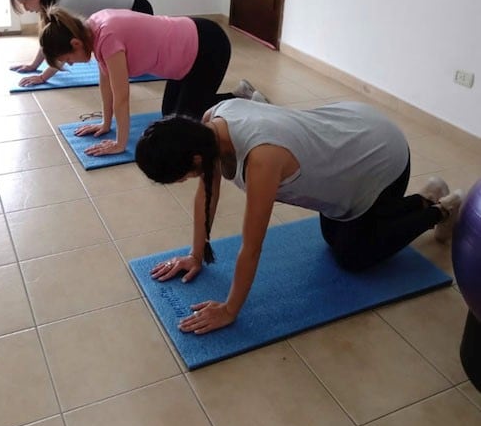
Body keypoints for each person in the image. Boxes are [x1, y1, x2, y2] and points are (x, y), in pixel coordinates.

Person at [134, 99, 464, 335]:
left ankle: (441, 209)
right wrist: (195, 255)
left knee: (353, 256)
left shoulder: (262, 159)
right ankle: (424, 197)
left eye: (182, 177)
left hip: (380, 154)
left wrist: (230, 309)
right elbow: (207, 192)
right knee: (335, 235)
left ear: (193, 159)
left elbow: (252, 246)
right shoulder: (211, 121)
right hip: (350, 132)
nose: (187, 182)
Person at [39, 6, 265, 157]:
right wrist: (106, 124)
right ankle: (241, 94)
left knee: (182, 128)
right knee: (170, 114)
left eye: (66, 59)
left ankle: (242, 102)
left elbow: (122, 96)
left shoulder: (106, 36)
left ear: (75, 43)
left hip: (207, 46)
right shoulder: (91, 29)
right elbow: (106, 83)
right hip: (186, 54)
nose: (69, 64)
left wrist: (120, 144)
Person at [9, 0, 154, 86]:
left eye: (24, 3)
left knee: (134, 67)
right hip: (130, 4)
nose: (26, 9)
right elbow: (49, 41)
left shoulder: (64, 5)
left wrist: (42, 77)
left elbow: (63, 48)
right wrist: (34, 65)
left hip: (137, 7)